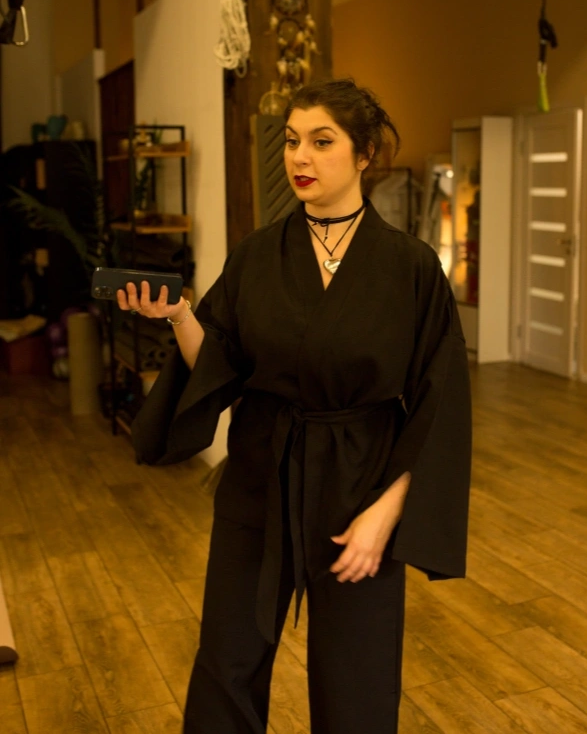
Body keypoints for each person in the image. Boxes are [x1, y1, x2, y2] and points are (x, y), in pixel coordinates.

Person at [116, 78, 472, 734]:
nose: (299, 157)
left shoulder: (411, 267)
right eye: (291, 141)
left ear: (365, 153)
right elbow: (222, 362)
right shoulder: (258, 255)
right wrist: (179, 315)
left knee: (357, 679)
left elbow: (438, 405)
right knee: (226, 663)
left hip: (358, 485)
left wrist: (385, 515)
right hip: (260, 476)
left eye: (321, 141)